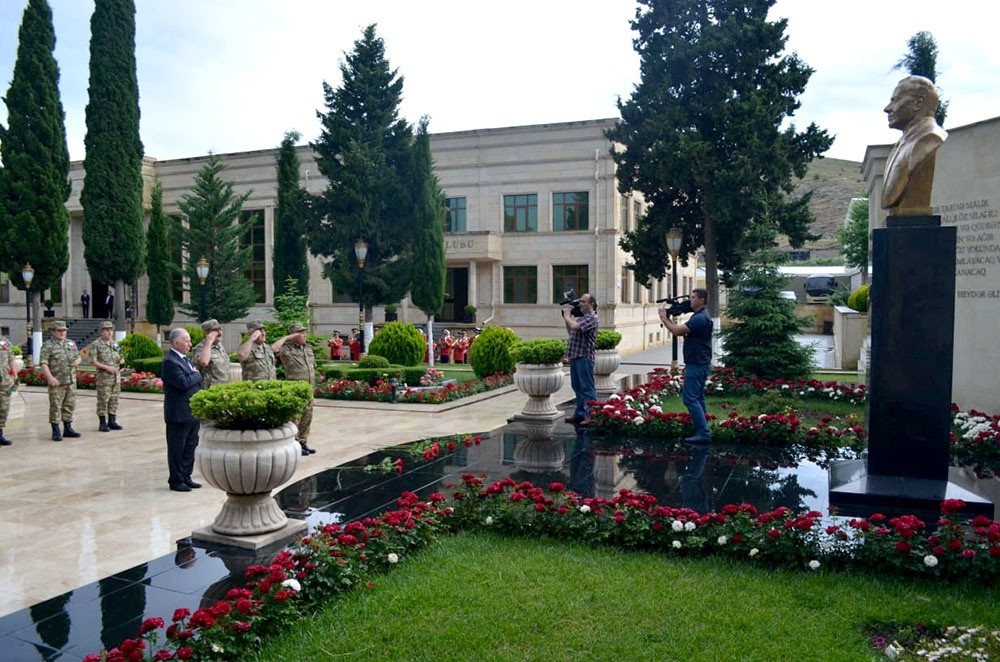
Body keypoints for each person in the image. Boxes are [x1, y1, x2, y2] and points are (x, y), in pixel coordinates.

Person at [881, 75, 948, 215]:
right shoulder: (902, 144)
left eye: (895, 100)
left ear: (918, 102)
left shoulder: (930, 138)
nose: (887, 108)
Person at [659, 288, 714, 444]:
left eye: (693, 297)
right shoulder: (700, 316)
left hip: (697, 364)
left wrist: (664, 318)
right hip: (700, 363)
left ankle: (703, 432)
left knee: (689, 399)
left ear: (702, 300)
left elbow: (677, 331)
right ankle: (703, 427)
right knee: (698, 398)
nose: (690, 300)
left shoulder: (699, 318)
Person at [161, 328, 203, 492]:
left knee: (190, 446)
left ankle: (186, 476)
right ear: (176, 342)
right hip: (178, 413)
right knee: (177, 448)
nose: (190, 344)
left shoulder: (185, 360)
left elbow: (191, 381)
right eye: (187, 341)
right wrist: (197, 375)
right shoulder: (170, 361)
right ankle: (176, 480)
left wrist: (194, 376)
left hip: (191, 411)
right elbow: (183, 383)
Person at [272, 323, 316, 456]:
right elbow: (273, 349)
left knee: (307, 417)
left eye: (304, 332)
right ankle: (294, 443)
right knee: (295, 417)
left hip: (309, 388)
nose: (304, 335)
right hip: (295, 388)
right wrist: (288, 337)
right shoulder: (287, 349)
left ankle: (303, 442)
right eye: (301, 333)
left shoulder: (308, 348)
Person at [39, 320, 82, 441]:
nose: (62, 333)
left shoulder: (71, 344)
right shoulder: (48, 346)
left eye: (64, 331)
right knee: (56, 406)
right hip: (57, 382)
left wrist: (77, 361)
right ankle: (56, 430)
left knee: (69, 405)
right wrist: (50, 378)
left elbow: (78, 356)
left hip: (70, 381)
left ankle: (68, 428)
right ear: (53, 331)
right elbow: (43, 363)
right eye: (59, 331)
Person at [563, 292, 598, 426]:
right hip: (576, 356)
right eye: (580, 301)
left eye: (583, 302)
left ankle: (592, 415)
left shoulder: (592, 318)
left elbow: (575, 327)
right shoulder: (582, 318)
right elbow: (571, 331)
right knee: (577, 387)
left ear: (592, 304)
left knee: (587, 388)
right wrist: (567, 319)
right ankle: (580, 413)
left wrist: (567, 317)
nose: (580, 304)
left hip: (585, 357)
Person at [88, 320, 124, 432]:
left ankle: (112, 420)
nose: (109, 332)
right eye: (107, 330)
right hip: (104, 378)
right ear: (101, 332)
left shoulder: (115, 344)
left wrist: (122, 360)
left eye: (111, 330)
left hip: (116, 378)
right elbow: (92, 361)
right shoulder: (96, 345)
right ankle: (102, 422)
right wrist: (107, 368)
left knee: (114, 399)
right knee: (103, 400)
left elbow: (120, 355)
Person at [192, 319, 230, 389]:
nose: (220, 333)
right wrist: (209, 342)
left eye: (220, 329)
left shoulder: (220, 347)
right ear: (206, 333)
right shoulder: (201, 348)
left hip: (224, 388)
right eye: (215, 331)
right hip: (210, 389)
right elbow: (203, 362)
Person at [0, 334, 17, 446]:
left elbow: (11, 358)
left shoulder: (4, 342)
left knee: (3, 408)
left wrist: (15, 374)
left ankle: (0, 433)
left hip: (4, 381)